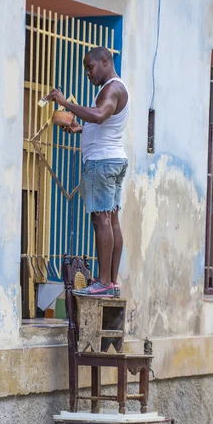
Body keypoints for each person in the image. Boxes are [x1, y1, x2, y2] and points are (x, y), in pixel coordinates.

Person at [45, 46, 129, 297]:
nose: (87, 74)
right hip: (112, 160)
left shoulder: (112, 88)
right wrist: (81, 129)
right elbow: (103, 124)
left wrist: (65, 103)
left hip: (102, 164)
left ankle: (103, 282)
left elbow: (100, 116)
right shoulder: (114, 88)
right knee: (111, 219)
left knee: (101, 219)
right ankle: (110, 282)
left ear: (105, 61)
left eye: (90, 68)